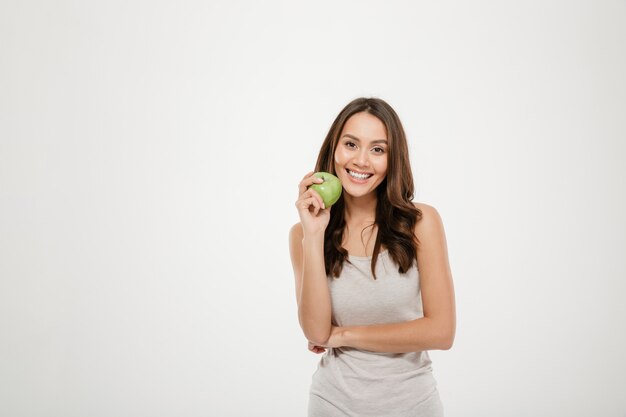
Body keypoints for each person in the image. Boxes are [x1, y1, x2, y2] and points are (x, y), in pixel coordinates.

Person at [288, 97, 457, 417]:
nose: (362, 160)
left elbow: (441, 331)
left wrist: (344, 335)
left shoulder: (421, 222)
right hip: (333, 404)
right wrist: (314, 234)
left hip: (413, 404)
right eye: (351, 144)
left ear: (393, 160)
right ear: (334, 150)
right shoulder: (303, 234)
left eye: (378, 149)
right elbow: (316, 332)